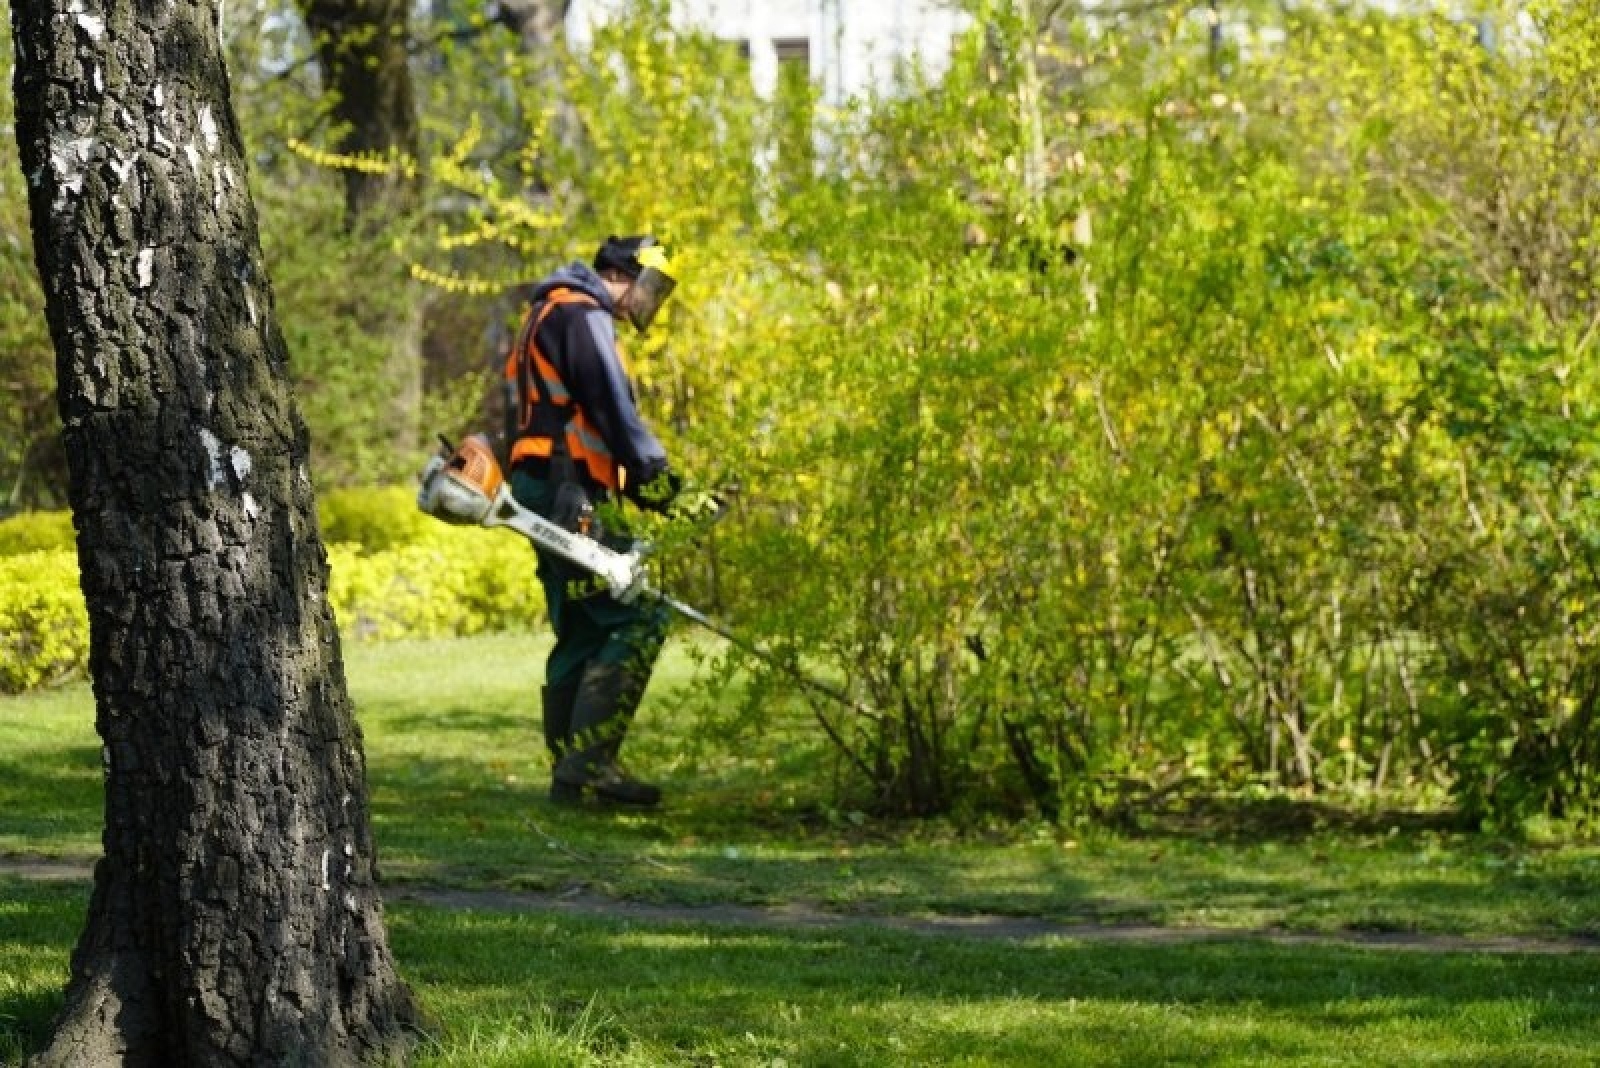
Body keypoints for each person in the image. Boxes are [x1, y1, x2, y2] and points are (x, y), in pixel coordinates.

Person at [503, 235, 683, 807]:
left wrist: (631, 483)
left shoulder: (548, 312)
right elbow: (612, 409)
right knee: (639, 614)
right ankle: (591, 764)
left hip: (543, 488)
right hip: (568, 495)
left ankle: (569, 778)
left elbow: (573, 418)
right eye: (650, 287)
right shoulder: (583, 316)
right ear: (623, 275)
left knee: (583, 626)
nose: (650, 301)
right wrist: (656, 474)